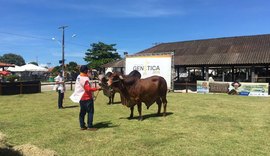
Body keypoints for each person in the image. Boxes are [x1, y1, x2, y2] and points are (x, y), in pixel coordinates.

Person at [70, 65, 101, 131]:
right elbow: (88, 89)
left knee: (82, 112)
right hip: (87, 98)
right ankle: (90, 126)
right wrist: (97, 88)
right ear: (85, 71)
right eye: (87, 70)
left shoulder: (79, 76)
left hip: (81, 98)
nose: (88, 71)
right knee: (90, 112)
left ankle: (82, 126)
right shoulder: (85, 79)